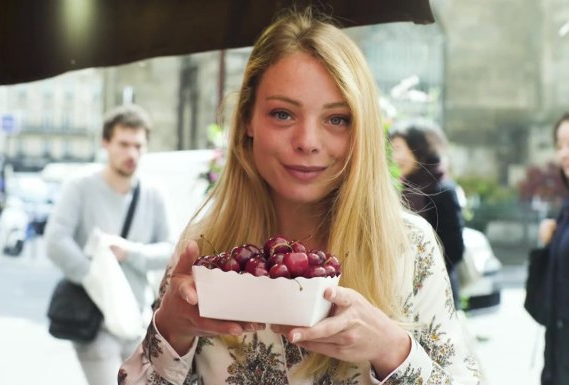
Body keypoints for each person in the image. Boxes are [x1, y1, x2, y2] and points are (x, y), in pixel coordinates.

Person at [118, 8, 480, 385]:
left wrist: (392, 350)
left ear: (363, 132)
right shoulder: (203, 251)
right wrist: (171, 331)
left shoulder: (408, 248)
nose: (307, 142)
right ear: (246, 121)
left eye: (337, 119)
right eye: (282, 114)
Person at [44, 104, 174, 385]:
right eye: (124, 144)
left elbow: (170, 249)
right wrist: (95, 277)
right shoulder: (80, 186)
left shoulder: (153, 193)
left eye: (138, 146)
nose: (131, 153)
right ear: (106, 143)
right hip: (95, 321)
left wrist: (130, 252)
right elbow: (55, 240)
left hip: (138, 322)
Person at [389, 122, 465, 309]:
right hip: (405, 295)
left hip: (436, 296)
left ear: (417, 149)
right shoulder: (405, 189)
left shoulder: (442, 191)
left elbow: (454, 250)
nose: (395, 157)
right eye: (392, 150)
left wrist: (423, 276)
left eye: (399, 148)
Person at [538, 112, 569, 385]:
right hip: (559, 346)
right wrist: (547, 244)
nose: (564, 154)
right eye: (560, 145)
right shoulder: (565, 208)